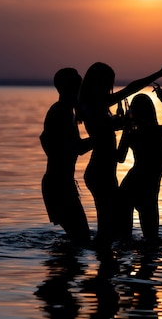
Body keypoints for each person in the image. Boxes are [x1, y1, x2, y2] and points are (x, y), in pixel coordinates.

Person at [77, 61, 162, 250]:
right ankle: (104, 270)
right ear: (99, 83)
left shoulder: (92, 105)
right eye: (108, 84)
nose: (110, 89)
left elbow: (108, 138)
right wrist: (160, 72)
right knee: (107, 231)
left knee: (109, 229)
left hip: (103, 171)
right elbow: (131, 89)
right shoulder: (95, 104)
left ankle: (106, 269)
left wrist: (119, 126)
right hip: (100, 172)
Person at [117, 84, 162, 242]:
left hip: (132, 186)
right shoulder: (159, 132)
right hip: (146, 188)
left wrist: (125, 129)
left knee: (127, 239)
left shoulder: (134, 133)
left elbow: (119, 157)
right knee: (151, 241)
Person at [40, 68, 93, 247]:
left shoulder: (64, 111)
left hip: (60, 183)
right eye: (77, 84)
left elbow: (46, 140)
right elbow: (76, 147)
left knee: (78, 239)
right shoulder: (61, 112)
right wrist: (103, 136)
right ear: (65, 87)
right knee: (82, 238)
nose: (81, 88)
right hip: (59, 186)